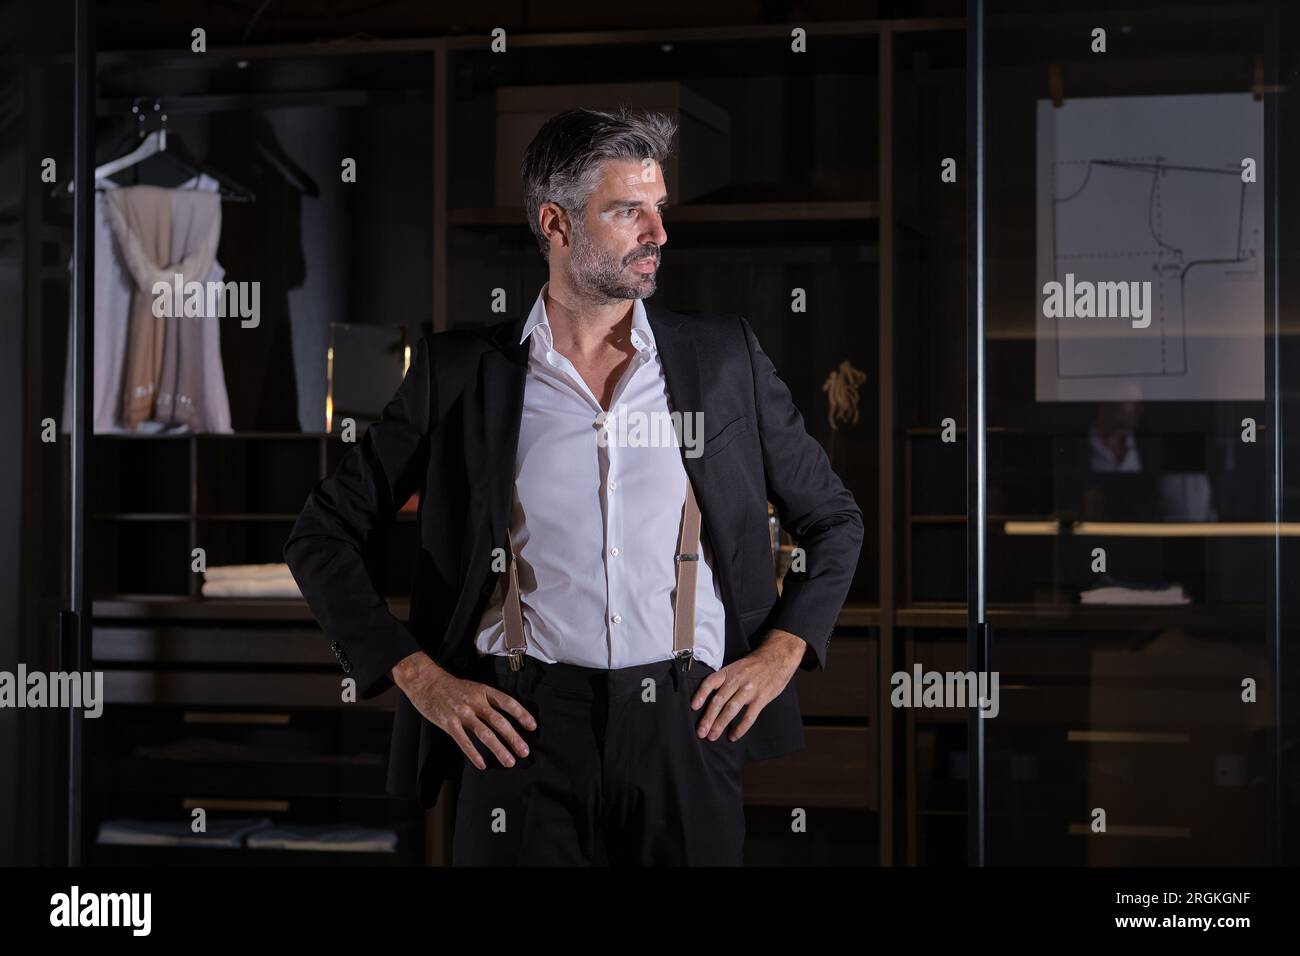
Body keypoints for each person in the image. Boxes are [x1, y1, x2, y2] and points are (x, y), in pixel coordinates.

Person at [284, 107, 864, 865]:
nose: (658, 232)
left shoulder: (722, 359)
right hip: (520, 732)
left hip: (687, 728)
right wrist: (419, 676)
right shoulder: (460, 373)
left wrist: (784, 650)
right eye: (629, 211)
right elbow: (321, 534)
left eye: (659, 209)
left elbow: (834, 520)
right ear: (556, 223)